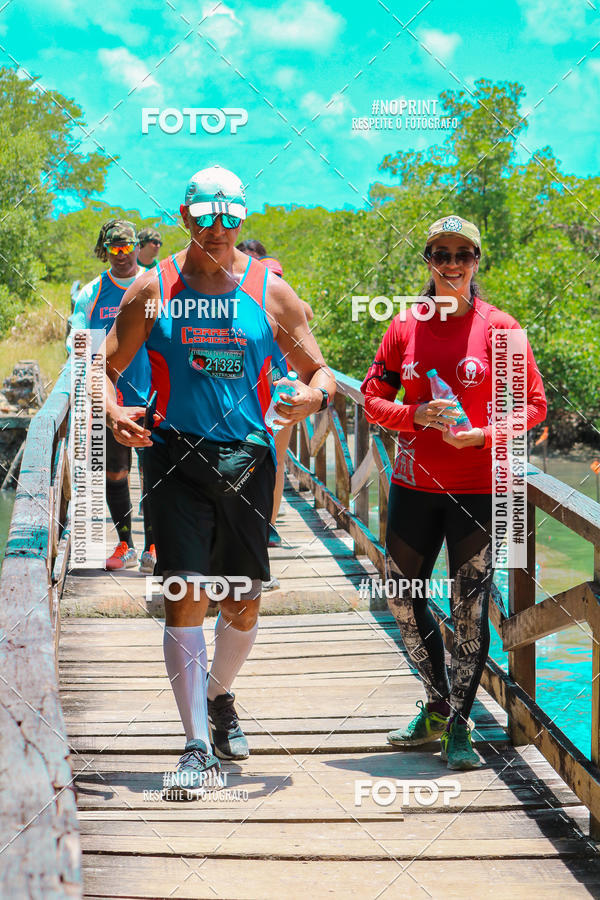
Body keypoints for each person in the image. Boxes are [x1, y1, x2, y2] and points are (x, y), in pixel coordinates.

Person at [100, 166, 335, 796]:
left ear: (243, 218)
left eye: (230, 216)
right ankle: (194, 747)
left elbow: (323, 375)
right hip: (174, 455)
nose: (218, 228)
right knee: (184, 591)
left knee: (242, 598)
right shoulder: (154, 289)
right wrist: (114, 408)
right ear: (185, 216)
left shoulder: (273, 292)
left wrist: (310, 402)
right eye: (206, 216)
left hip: (250, 461)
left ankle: (219, 694)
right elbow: (102, 367)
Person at [361, 214, 547, 770]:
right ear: (428, 261)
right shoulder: (404, 327)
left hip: (478, 489)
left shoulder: (502, 329)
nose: (451, 265)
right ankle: (437, 703)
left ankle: (461, 724)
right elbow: (371, 397)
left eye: (462, 255)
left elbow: (533, 407)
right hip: (413, 485)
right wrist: (413, 414)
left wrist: (481, 435)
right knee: (401, 597)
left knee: (468, 611)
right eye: (440, 254)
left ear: (476, 262)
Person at [68, 220, 156, 573]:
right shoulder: (92, 292)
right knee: (115, 474)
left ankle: (154, 545)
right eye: (113, 248)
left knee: (156, 474)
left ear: (138, 245)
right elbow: (77, 342)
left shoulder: (155, 283)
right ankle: (126, 544)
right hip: (110, 398)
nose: (121, 254)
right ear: (105, 249)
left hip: (155, 393)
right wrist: (83, 391)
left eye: (127, 246)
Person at [235, 239, 314, 571]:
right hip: (247, 392)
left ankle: (265, 525)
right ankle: (253, 525)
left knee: (274, 460)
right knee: (247, 456)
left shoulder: (281, 303)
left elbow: (305, 312)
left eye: (276, 277)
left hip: (279, 389)